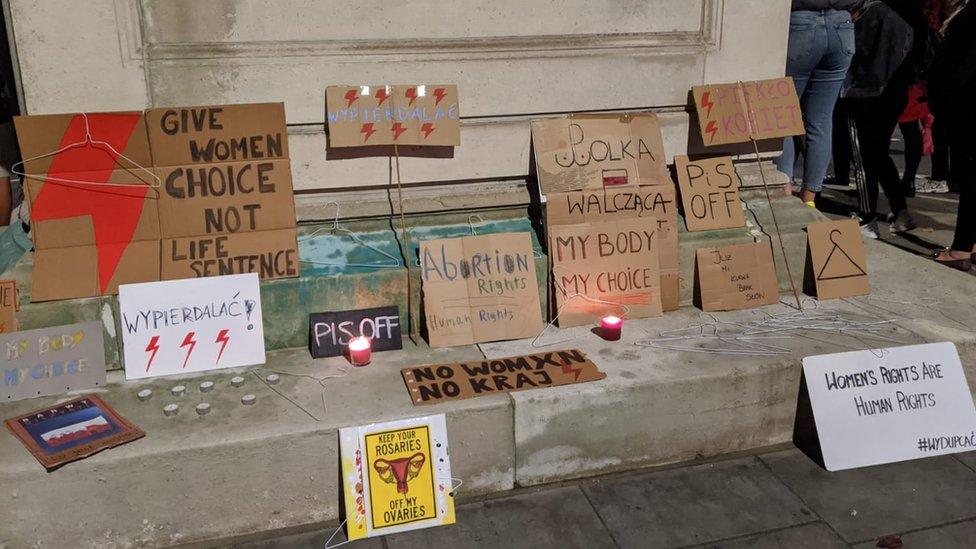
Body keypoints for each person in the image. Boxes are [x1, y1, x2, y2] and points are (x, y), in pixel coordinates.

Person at [845, 0, 926, 239]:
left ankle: (866, 215)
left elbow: (855, 50)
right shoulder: (913, 13)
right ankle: (899, 209)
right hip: (895, 91)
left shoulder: (874, 11)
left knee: (863, 156)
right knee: (878, 153)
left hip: (866, 91)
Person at [775, 0, 862, 208]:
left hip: (800, 21)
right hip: (842, 24)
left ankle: (785, 192)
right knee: (821, 120)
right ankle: (809, 200)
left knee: (783, 114)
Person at [929, 0, 976, 270]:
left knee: (971, 176)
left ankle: (961, 248)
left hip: (968, 105)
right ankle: (970, 244)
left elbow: (961, 67)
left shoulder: (971, 16)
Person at [896, 83, 930, 196]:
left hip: (902, 81)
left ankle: (908, 180)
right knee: (911, 128)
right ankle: (909, 180)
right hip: (917, 82)